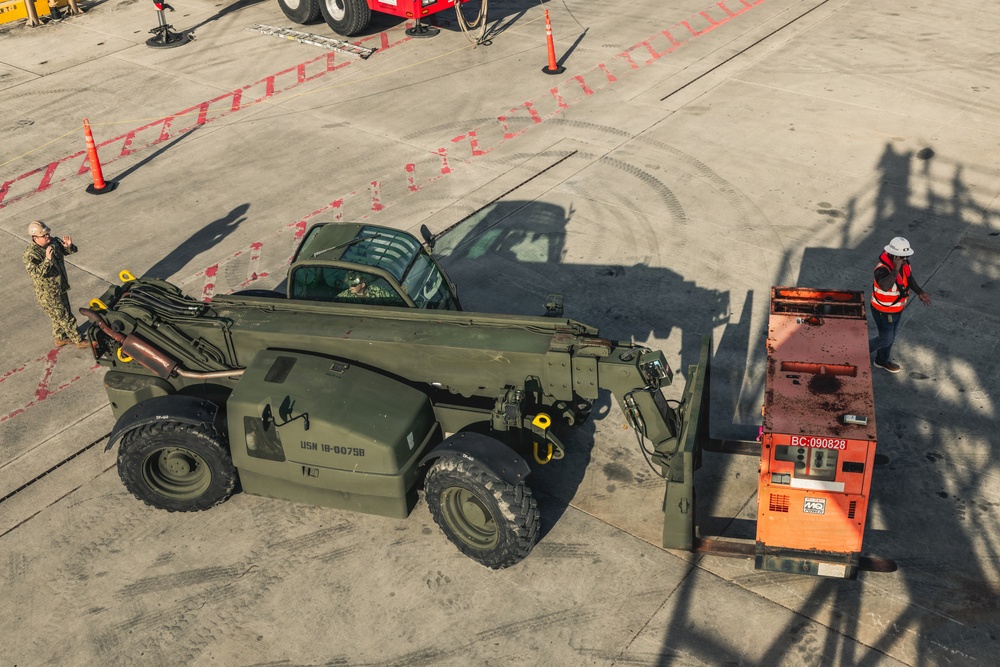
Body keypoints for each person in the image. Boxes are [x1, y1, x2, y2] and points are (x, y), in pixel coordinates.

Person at [23, 220, 89, 350]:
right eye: (44, 236)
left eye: (48, 234)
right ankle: (79, 340)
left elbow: (67, 251)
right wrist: (47, 260)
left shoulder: (52, 242)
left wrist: (68, 246)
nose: (47, 236)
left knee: (58, 316)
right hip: (48, 294)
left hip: (60, 287)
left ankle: (60, 338)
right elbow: (36, 273)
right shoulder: (30, 254)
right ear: (35, 238)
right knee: (65, 317)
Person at [869, 236, 931, 373]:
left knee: (891, 336)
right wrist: (896, 269)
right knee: (885, 339)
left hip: (897, 308)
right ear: (893, 255)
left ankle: (881, 361)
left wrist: (920, 292)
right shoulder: (882, 269)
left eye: (906, 256)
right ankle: (861, 349)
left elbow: (909, 279)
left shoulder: (905, 264)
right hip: (883, 311)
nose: (905, 259)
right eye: (902, 257)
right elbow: (885, 286)